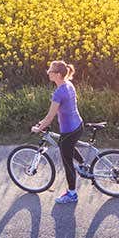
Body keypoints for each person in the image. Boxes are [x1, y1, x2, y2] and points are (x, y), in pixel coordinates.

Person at [32, 60, 85, 204]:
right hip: (78, 125)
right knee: (65, 145)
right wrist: (43, 123)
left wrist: (39, 128)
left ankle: (72, 194)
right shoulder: (69, 84)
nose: (48, 72)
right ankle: (82, 164)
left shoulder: (58, 93)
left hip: (69, 130)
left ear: (58, 74)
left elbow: (50, 117)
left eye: (51, 70)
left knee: (67, 161)